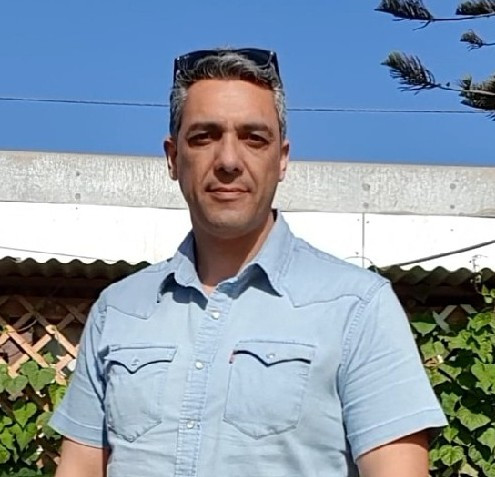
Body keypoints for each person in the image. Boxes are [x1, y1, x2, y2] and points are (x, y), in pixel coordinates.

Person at [50, 47, 447, 477]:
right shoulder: (118, 310)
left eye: (254, 138)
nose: (228, 161)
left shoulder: (357, 307)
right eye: (204, 137)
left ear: (282, 159)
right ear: (173, 158)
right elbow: (79, 468)